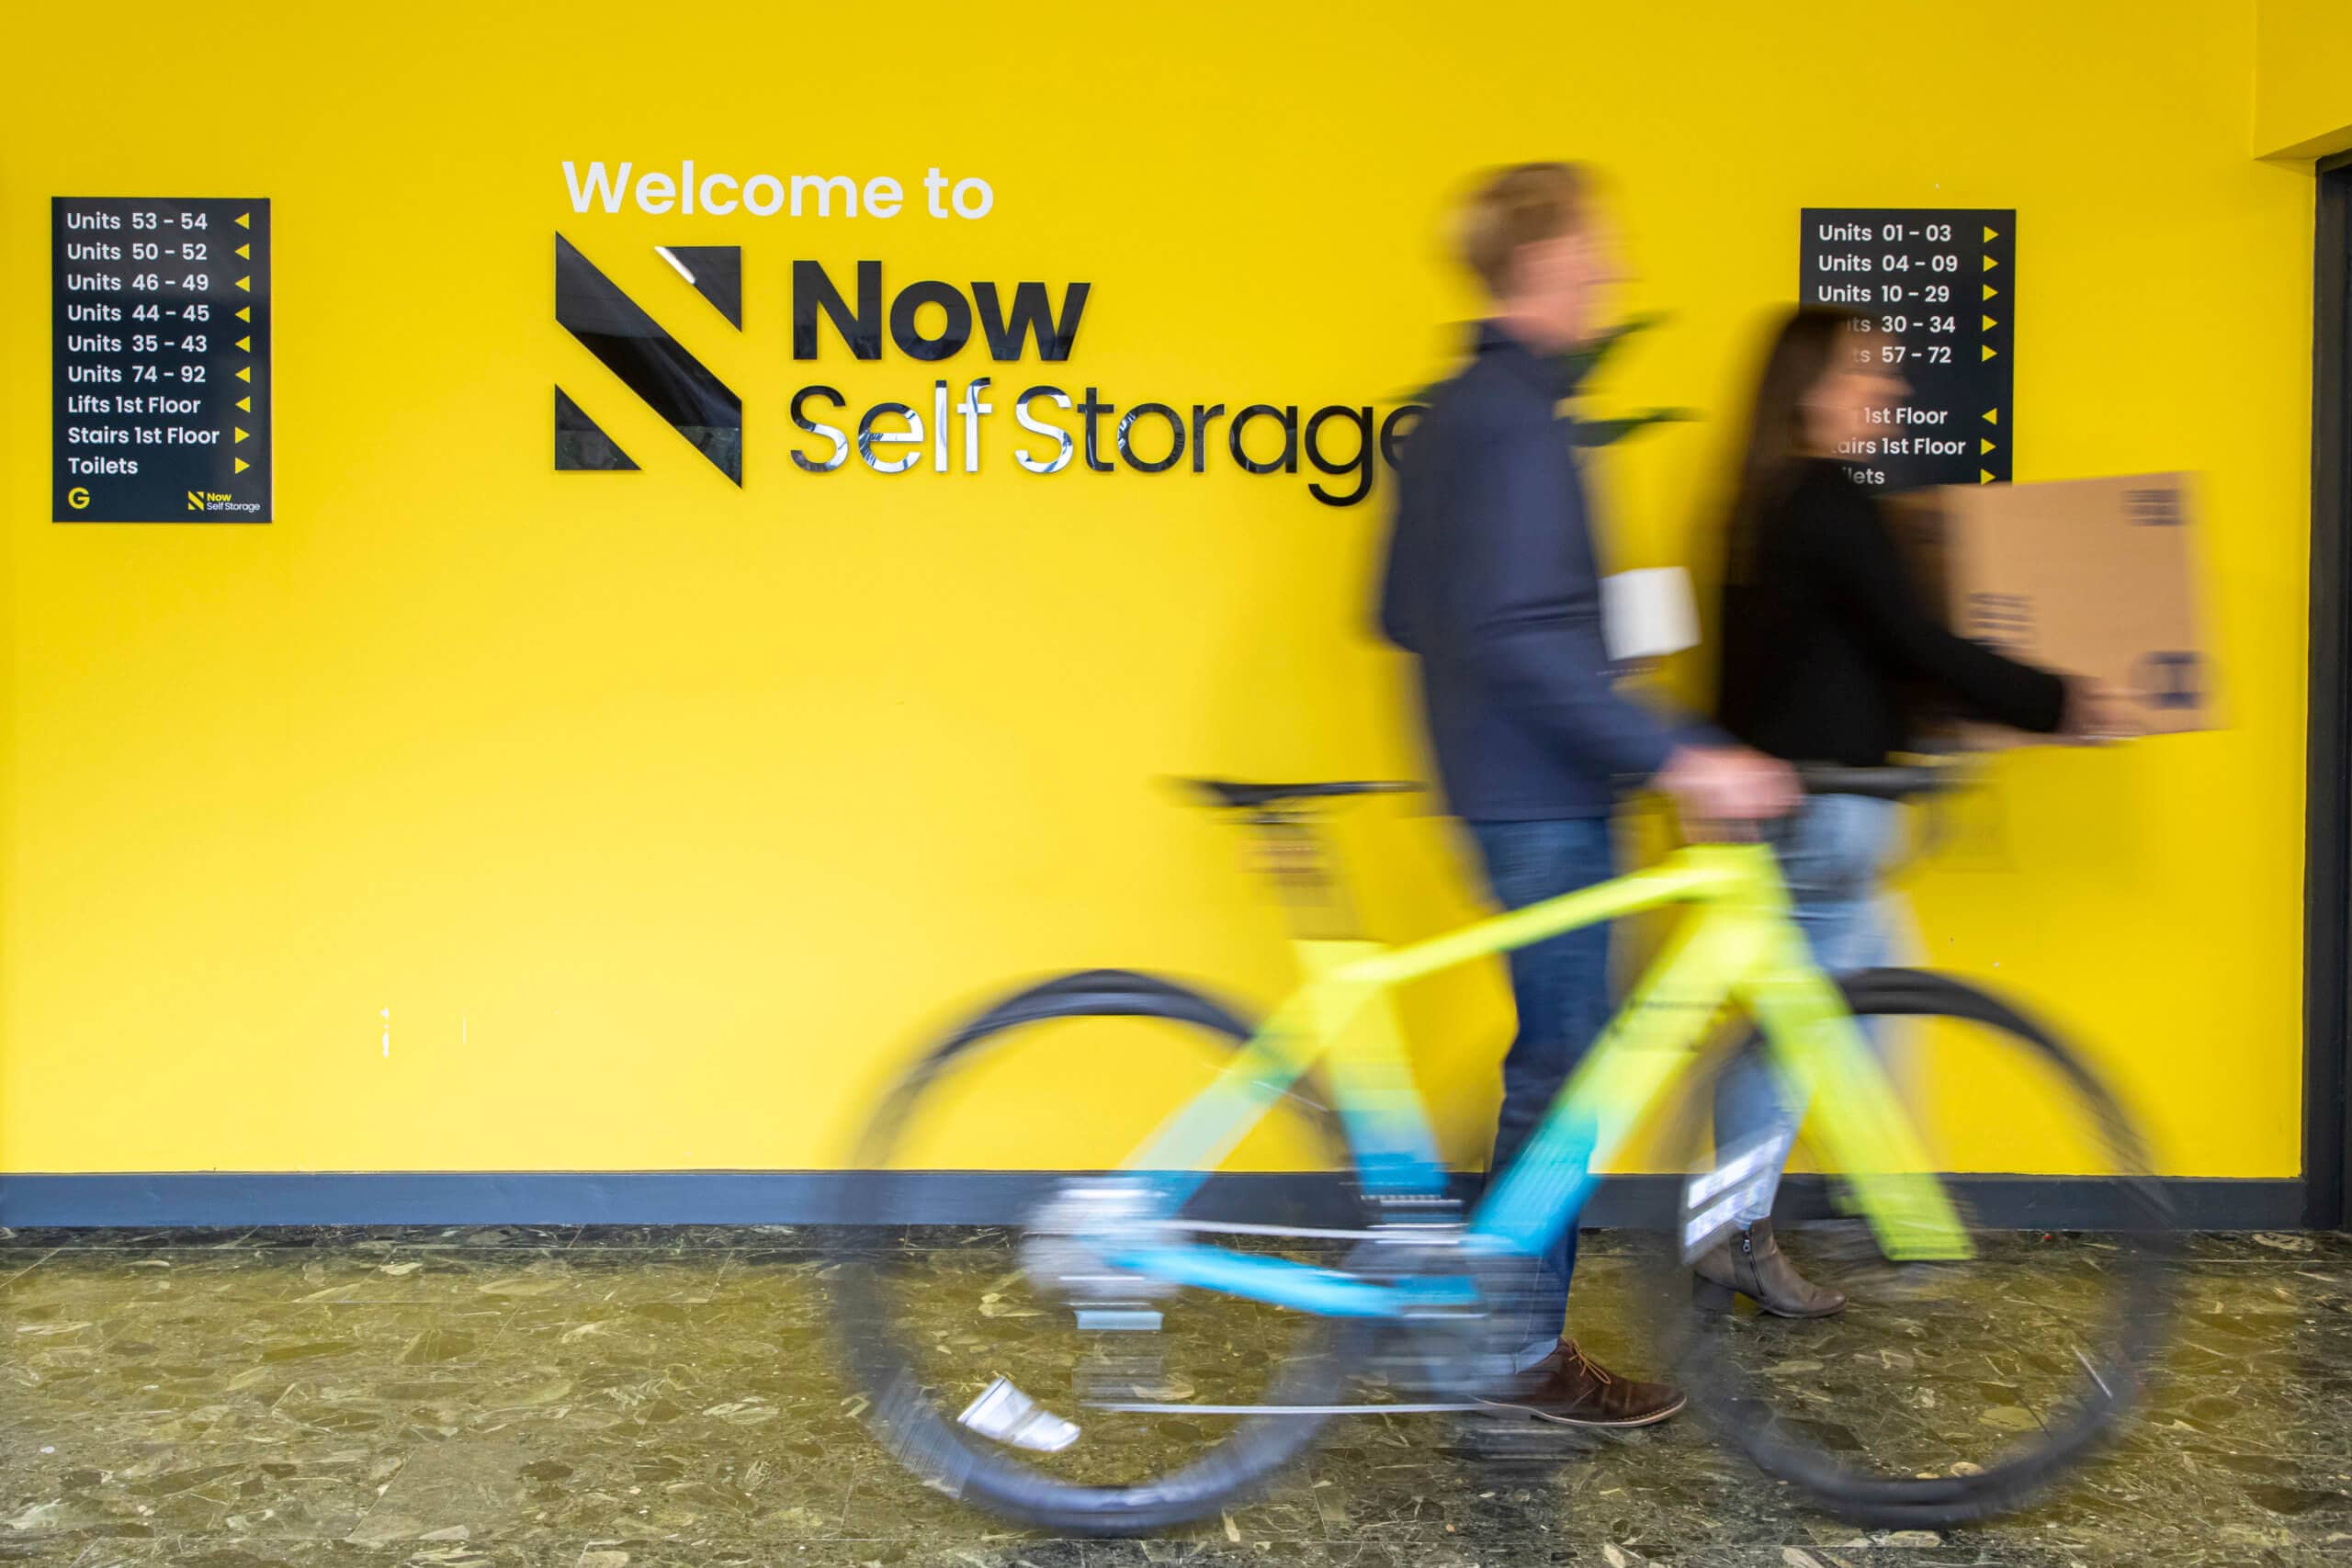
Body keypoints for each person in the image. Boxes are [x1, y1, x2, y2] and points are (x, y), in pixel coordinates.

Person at [1377, 162, 1794, 1427]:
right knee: (1563, 1074)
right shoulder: (1519, 424)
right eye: (1599, 250)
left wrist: (1585, 665)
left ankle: (1487, 1300)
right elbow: (1510, 627)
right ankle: (1514, 1350)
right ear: (1547, 260)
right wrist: (1677, 748)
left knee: (1556, 1063)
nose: (1614, 272)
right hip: (1544, 792)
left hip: (1502, 781)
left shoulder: (1456, 412)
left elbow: (1402, 611)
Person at [1700, 305, 2121, 1315]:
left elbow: (1818, 658)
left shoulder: (1762, 500)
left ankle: (1836, 1219)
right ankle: (1834, 1225)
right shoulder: (1830, 500)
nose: (1884, 392)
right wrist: (2057, 701)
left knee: (1822, 1023)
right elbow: (1913, 640)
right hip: (1826, 820)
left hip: (1803, 814)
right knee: (1817, 1030)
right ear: (1807, 387)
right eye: (1864, 372)